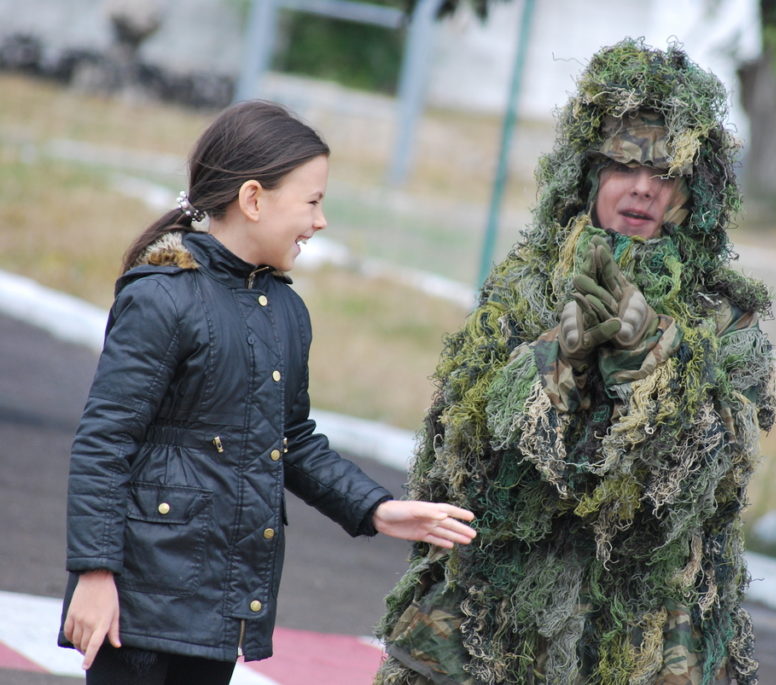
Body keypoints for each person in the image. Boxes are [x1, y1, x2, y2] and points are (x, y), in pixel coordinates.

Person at [374, 39, 776, 685]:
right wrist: (557, 360)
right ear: (589, 174)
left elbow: (704, 476)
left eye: (666, 173)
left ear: (695, 192)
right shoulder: (526, 287)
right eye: (623, 165)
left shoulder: (726, 320)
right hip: (493, 632)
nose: (643, 188)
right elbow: (465, 456)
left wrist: (646, 354)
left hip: (642, 636)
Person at [58, 100, 477, 684]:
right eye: (312, 202)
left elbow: (292, 441)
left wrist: (377, 508)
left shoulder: (286, 310)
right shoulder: (162, 297)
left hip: (220, 611)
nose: (320, 220)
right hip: (136, 612)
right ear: (253, 199)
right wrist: (95, 575)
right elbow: (105, 443)